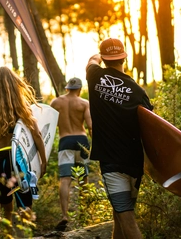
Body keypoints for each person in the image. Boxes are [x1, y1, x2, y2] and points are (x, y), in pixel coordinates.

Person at [0, 31, 47, 225]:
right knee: (25, 207)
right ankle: (25, 233)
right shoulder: (23, 108)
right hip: (18, 158)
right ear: (15, 86)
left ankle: (9, 234)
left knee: (7, 209)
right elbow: (37, 135)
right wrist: (42, 162)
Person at [85, 38, 153, 239]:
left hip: (112, 164)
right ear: (125, 57)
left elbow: (91, 61)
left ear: (104, 60)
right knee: (119, 214)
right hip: (134, 164)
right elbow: (150, 128)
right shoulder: (138, 92)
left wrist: (99, 55)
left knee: (127, 219)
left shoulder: (95, 76)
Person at [50, 77, 92, 231]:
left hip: (65, 140)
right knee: (83, 178)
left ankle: (65, 216)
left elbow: (49, 124)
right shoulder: (84, 103)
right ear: (80, 89)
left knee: (65, 179)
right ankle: (85, 213)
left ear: (67, 88)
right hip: (81, 140)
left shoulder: (56, 102)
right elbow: (90, 126)